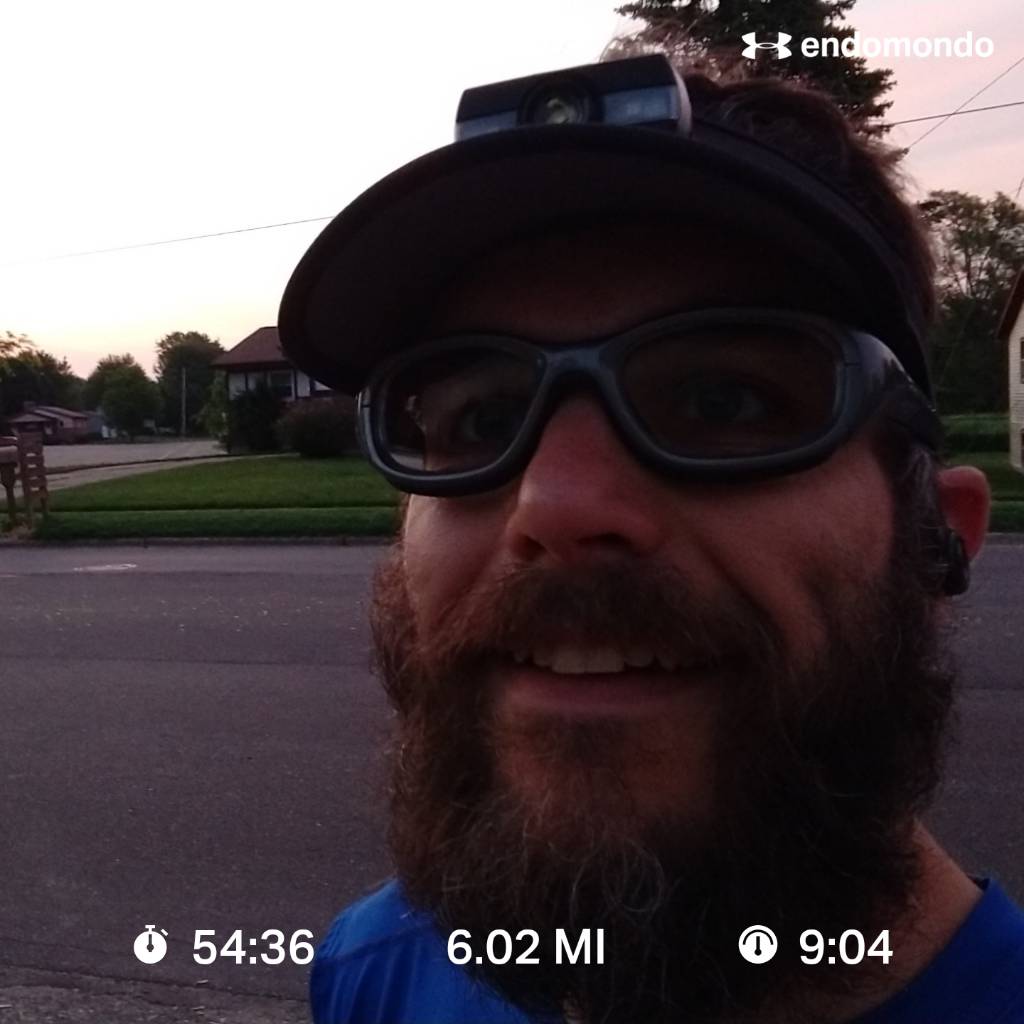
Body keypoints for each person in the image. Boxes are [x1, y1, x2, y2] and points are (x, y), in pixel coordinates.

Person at [279, 55, 1024, 1024]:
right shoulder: (371, 973)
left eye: (722, 402)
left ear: (935, 543)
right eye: (482, 419)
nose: (554, 506)